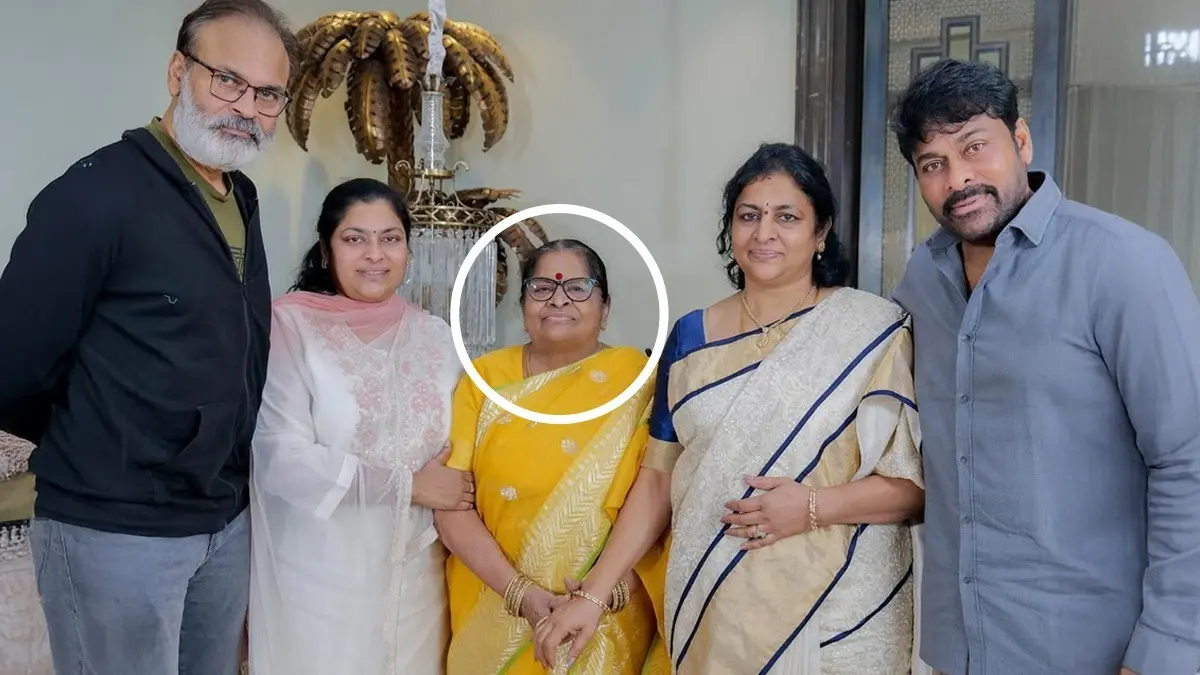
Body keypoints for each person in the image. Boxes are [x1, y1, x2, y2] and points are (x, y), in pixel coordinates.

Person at [534, 143, 929, 674]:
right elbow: (656, 480)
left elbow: (914, 490)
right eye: (749, 216)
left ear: (820, 233)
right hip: (714, 606)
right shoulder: (691, 338)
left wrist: (812, 506)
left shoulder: (873, 331)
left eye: (787, 217)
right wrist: (592, 595)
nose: (764, 233)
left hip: (844, 612)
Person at [0, 1, 297, 673]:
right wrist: (111, 443)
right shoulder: (97, 194)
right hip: (114, 526)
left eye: (268, 94)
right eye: (227, 80)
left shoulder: (239, 196)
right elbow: (13, 364)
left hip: (221, 520)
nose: (244, 107)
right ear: (177, 72)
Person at [890, 58, 1200, 675]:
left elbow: (1187, 459)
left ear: (1022, 139)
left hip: (1095, 650)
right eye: (934, 164)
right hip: (960, 647)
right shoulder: (922, 280)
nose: (959, 178)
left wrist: (1166, 649)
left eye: (976, 147)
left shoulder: (1124, 264)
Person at [247, 177, 471, 674]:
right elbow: (279, 457)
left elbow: (462, 453)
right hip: (317, 576)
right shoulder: (288, 328)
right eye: (355, 238)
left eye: (390, 238)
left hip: (416, 581)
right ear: (327, 250)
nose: (375, 255)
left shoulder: (437, 339)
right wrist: (408, 485)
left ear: (408, 251)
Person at [435, 238, 666, 674]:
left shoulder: (640, 381)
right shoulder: (484, 378)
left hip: (608, 611)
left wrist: (599, 595)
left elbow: (660, 500)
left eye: (578, 287)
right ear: (523, 305)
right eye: (542, 288)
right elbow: (451, 503)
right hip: (493, 601)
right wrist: (522, 594)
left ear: (606, 307)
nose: (558, 299)